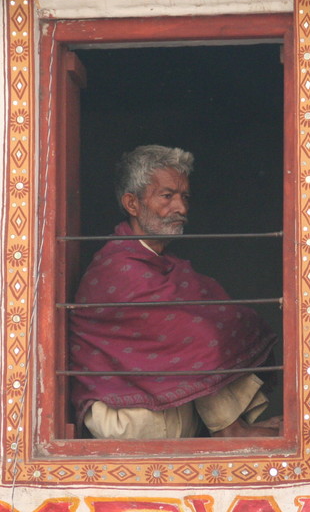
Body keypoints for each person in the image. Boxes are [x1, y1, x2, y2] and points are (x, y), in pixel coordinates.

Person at [68, 145, 280, 439]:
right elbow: (196, 336)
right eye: (167, 196)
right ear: (132, 204)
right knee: (197, 337)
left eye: (184, 197)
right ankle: (231, 429)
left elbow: (226, 318)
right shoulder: (117, 268)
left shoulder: (167, 266)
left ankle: (233, 426)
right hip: (129, 419)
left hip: (169, 412)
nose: (181, 208)